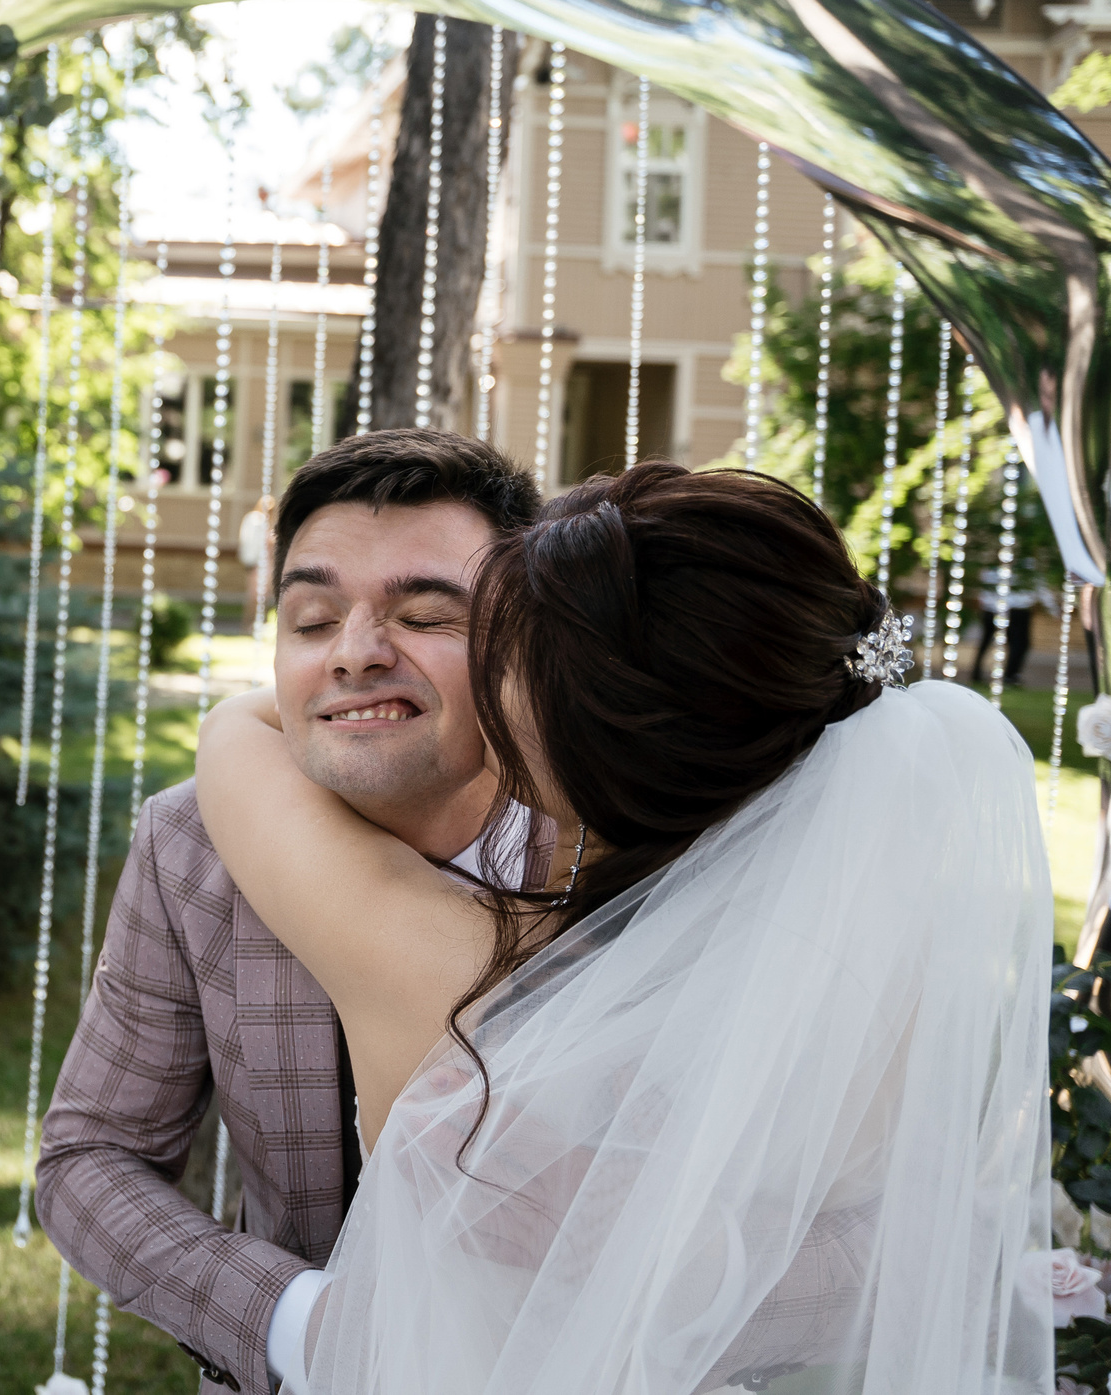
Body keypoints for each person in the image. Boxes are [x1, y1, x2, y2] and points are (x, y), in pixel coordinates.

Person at [195, 462, 1051, 1392]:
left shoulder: (443, 964)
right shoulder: (864, 982)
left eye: (506, 658)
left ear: (580, 737)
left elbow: (236, 733)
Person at [35, 430, 545, 1393]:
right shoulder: (191, 842)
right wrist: (297, 1324)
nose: (355, 653)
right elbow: (90, 1158)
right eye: (312, 619)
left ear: (521, 636)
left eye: (425, 613)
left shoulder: (629, 844)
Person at [236, 494, 274, 638]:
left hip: (265, 564)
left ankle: (257, 624)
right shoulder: (255, 521)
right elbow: (249, 542)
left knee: (263, 595)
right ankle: (248, 624)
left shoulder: (264, 522)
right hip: (257, 563)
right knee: (255, 595)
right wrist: (250, 561)